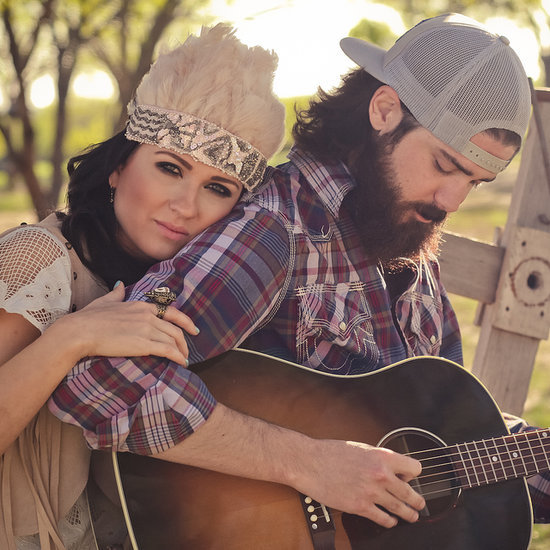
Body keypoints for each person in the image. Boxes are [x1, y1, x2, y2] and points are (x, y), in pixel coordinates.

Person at [50, 13, 550, 531]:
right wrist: (308, 463)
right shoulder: (276, 232)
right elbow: (102, 381)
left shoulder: (411, 248)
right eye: (445, 165)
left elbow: (454, 439)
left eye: (475, 182)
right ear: (384, 110)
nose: (451, 200)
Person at [0, 24, 285, 550]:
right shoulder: (38, 258)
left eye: (216, 188)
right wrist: (73, 338)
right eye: (170, 168)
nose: (186, 206)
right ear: (118, 167)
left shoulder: (181, 287)